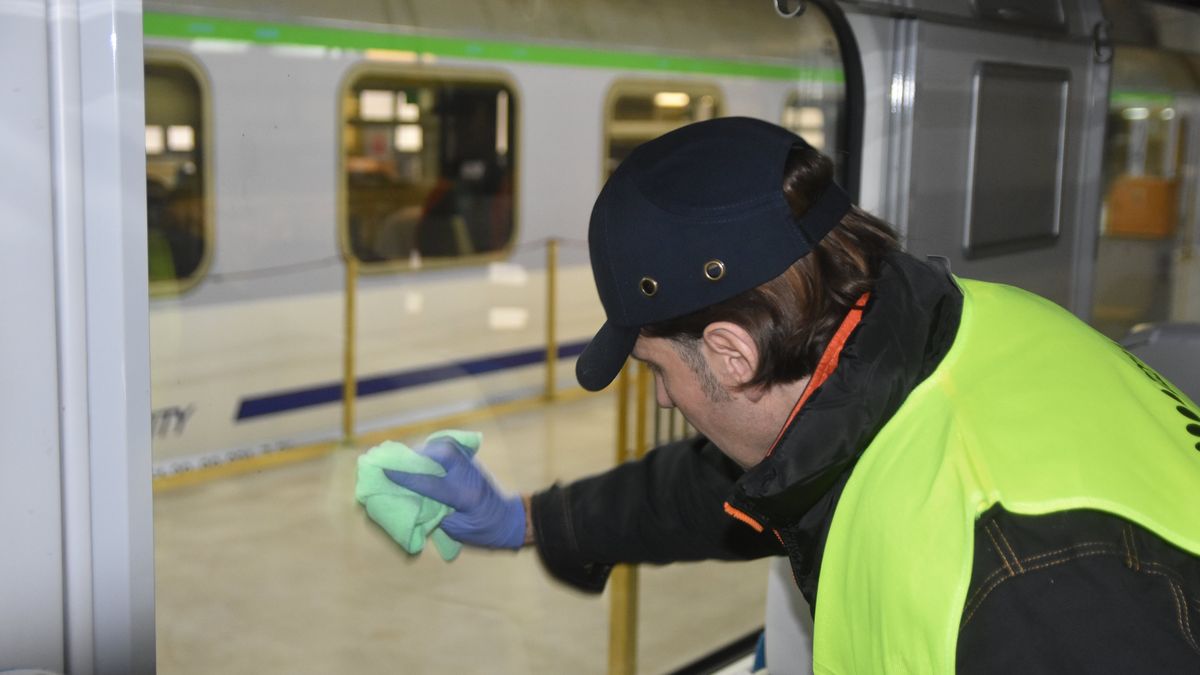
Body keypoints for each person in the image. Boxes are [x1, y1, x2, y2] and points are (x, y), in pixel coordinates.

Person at [385, 117, 1200, 672]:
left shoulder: (1024, 584)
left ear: (731, 352)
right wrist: (530, 519)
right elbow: (726, 488)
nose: (667, 402)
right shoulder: (954, 332)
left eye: (657, 371)